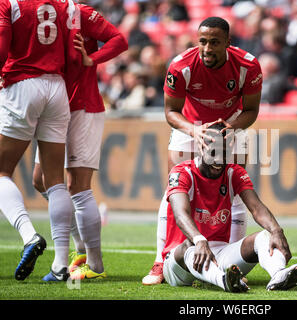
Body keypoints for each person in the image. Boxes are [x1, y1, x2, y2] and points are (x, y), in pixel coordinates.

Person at [142, 16, 262, 285]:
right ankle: (161, 261)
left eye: (215, 43)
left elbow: (252, 110)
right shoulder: (180, 65)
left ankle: (231, 264)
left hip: (231, 126)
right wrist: (196, 131)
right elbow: (170, 111)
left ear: (228, 43)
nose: (207, 48)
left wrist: (227, 128)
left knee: (237, 192)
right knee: (173, 191)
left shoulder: (248, 65)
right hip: (191, 126)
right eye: (203, 42)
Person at [32, 2, 128, 281]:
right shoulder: (35, 13)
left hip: (82, 106)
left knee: (77, 185)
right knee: (41, 180)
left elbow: (119, 40)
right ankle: (81, 247)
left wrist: (92, 59)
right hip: (54, 106)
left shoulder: (80, 13)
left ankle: (95, 265)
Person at [162, 122, 297, 292]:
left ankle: (279, 275)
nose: (219, 160)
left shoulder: (234, 172)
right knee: (190, 246)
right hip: (180, 262)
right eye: (213, 152)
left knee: (265, 236)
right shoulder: (181, 172)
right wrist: (199, 240)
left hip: (219, 254)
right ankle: (223, 280)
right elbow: (181, 214)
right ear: (201, 148)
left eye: (224, 154)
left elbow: (256, 208)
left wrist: (276, 230)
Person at [0, 0, 79, 281]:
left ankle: (29, 235)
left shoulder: (9, 3)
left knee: (1, 171)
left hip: (22, 85)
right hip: (56, 88)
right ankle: (60, 265)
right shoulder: (66, 4)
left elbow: (1, 48)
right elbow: (73, 55)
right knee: (55, 179)